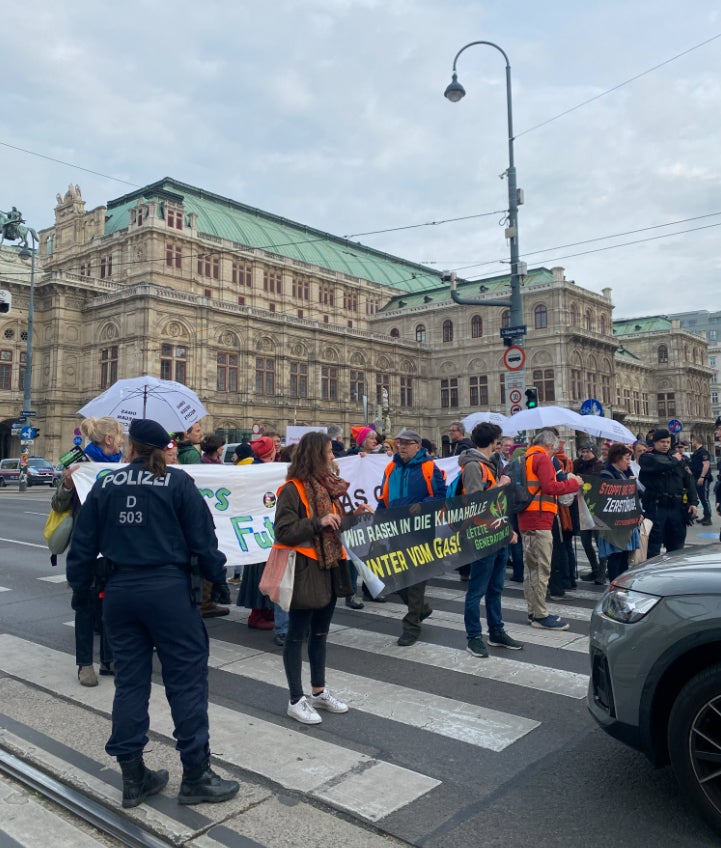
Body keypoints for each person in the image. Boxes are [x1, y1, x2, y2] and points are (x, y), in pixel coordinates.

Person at [66, 418, 239, 808]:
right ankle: (196, 774)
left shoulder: (106, 484)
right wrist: (219, 580)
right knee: (186, 681)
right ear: (165, 449)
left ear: (130, 447)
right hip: (169, 592)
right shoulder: (178, 483)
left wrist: (82, 589)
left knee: (130, 682)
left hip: (120, 593)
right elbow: (204, 541)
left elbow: (83, 543)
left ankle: (133, 775)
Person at [273, 431, 366, 724]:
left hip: (329, 566)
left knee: (321, 634)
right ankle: (295, 698)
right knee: (296, 635)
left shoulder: (329, 488)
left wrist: (356, 515)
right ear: (315, 455)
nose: (333, 456)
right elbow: (284, 531)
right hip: (305, 569)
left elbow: (335, 526)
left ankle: (318, 691)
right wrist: (318, 521)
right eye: (329, 452)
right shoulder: (292, 489)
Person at [59, 415, 125, 686]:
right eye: (120, 436)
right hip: (87, 548)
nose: (122, 441)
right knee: (86, 607)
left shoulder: (122, 465)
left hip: (116, 546)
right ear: (109, 439)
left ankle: (108, 659)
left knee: (113, 605)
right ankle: (85, 664)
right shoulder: (81, 465)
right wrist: (66, 485)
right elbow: (57, 505)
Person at [458, 422, 524, 657]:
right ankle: (473, 636)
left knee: (495, 588)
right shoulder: (474, 466)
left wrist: (507, 529)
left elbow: (498, 506)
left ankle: (496, 631)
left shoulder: (491, 464)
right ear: (493, 441)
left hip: (497, 532)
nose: (501, 445)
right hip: (482, 535)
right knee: (477, 589)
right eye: (499, 441)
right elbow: (477, 502)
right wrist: (500, 484)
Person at [378, 428, 447, 646]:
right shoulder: (391, 468)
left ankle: (411, 626)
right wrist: (378, 522)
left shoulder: (430, 468)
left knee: (415, 579)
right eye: (400, 443)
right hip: (396, 530)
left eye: (407, 444)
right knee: (395, 579)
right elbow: (384, 498)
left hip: (420, 532)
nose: (403, 447)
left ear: (418, 446)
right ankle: (421, 609)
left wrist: (423, 505)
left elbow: (441, 496)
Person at [517, 430, 582, 631]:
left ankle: (533, 609)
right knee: (542, 568)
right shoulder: (542, 459)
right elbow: (550, 487)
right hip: (540, 517)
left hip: (526, 517)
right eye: (554, 448)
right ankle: (540, 614)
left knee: (530, 568)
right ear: (550, 445)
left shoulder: (524, 458)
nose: (554, 451)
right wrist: (574, 483)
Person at [236, 436, 277, 629]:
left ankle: (266, 609)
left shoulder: (258, 469)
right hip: (260, 529)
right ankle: (257, 613)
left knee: (265, 571)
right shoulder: (262, 471)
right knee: (261, 573)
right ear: (270, 452)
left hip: (261, 529)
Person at [639, 428, 698, 558]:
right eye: (662, 442)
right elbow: (659, 464)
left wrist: (693, 502)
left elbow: (689, 481)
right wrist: (675, 460)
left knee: (677, 547)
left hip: (676, 507)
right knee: (653, 548)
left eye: (668, 442)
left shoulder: (678, 459)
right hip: (656, 507)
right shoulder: (647, 457)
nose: (665, 445)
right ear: (654, 442)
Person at [597, 443, 642, 581]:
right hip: (614, 526)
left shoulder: (623, 474)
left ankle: (621, 588)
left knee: (624, 559)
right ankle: (614, 588)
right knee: (616, 559)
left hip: (625, 524)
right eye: (627, 459)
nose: (629, 463)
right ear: (617, 458)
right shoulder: (607, 474)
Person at [574, 444, 605, 584]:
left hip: (596, 508)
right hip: (582, 508)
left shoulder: (600, 467)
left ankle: (602, 572)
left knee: (599, 542)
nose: (585, 454)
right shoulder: (578, 465)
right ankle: (594, 568)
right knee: (586, 541)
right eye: (583, 451)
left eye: (588, 452)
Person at [689, 433, 713, 525]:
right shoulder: (696, 452)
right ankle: (705, 516)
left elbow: (706, 465)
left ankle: (708, 518)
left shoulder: (703, 452)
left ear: (696, 441)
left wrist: (702, 477)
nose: (692, 442)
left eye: (693, 440)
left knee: (705, 498)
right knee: (702, 498)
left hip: (702, 478)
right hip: (696, 478)